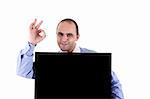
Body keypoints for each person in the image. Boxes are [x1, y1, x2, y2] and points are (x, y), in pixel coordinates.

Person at [16, 18, 124, 99]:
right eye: (60, 34)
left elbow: (114, 84)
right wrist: (31, 43)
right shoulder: (49, 63)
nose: (64, 39)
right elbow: (23, 71)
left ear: (77, 37)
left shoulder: (93, 58)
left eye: (69, 35)